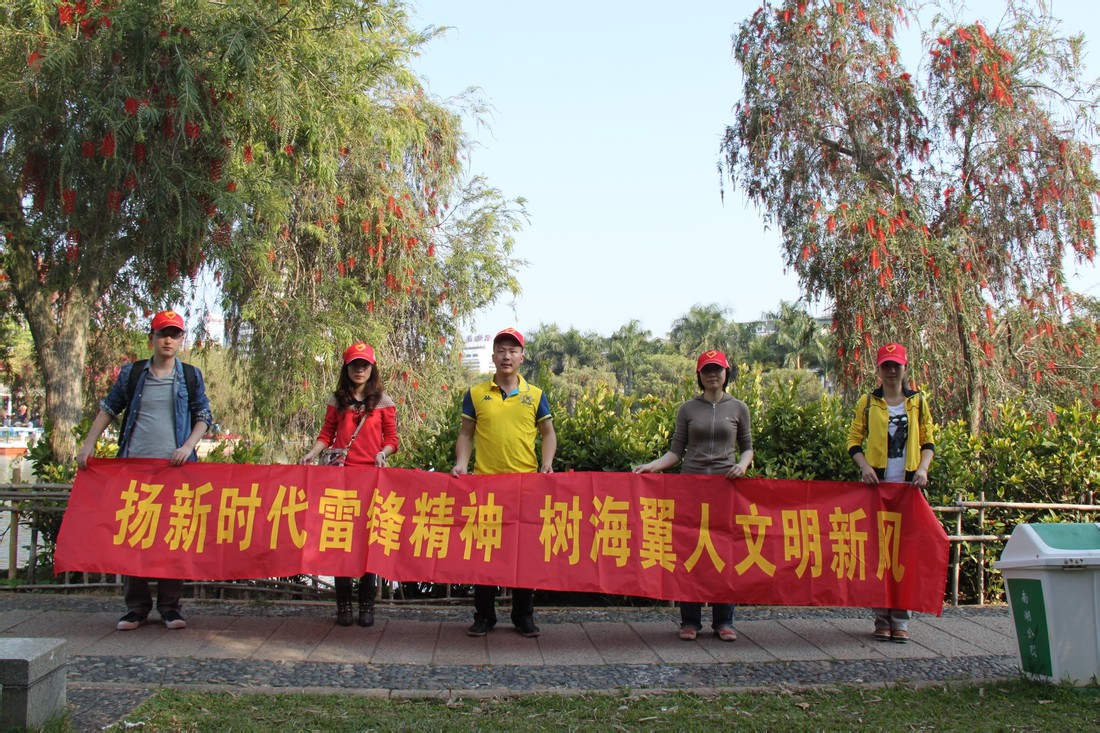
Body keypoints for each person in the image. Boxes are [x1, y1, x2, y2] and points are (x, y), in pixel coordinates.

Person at [76, 309, 212, 631]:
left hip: (175, 469)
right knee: (134, 534)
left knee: (172, 537)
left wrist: (188, 446)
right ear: (151, 338)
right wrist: (88, 444)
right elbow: (109, 408)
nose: (168, 340)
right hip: (133, 467)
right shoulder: (133, 373)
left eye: (175, 334)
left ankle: (170, 607)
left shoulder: (190, 376)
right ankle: (136, 608)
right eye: (163, 334)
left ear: (181, 340)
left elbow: (204, 416)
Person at [633, 349, 753, 642]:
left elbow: (748, 446)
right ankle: (690, 621)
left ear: (727, 373)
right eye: (707, 370)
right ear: (699, 376)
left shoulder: (739, 408)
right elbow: (676, 452)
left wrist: (742, 465)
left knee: (725, 553)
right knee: (690, 552)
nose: (713, 374)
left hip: (726, 489)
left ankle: (724, 621)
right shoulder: (687, 409)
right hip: (691, 489)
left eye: (718, 369)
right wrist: (652, 466)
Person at [451, 328, 556, 638]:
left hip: (526, 485)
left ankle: (523, 616)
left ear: (522, 358)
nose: (507, 355)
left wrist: (547, 462)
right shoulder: (475, 394)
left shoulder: (535, 395)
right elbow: (466, 434)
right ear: (493, 356)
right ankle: (484, 615)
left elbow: (548, 433)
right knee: (485, 552)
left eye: (513, 350)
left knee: (524, 553)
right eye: (501, 350)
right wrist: (461, 463)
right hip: (486, 485)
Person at [300, 342, 398, 628]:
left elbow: (392, 440)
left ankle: (367, 605)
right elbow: (327, 433)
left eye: (364, 364)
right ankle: (343, 606)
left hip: (371, 479)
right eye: (355, 364)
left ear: (372, 368)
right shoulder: (337, 399)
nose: (359, 369)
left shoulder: (383, 402)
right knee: (340, 540)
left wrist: (383, 453)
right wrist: (312, 453)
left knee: (369, 542)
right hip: (340, 480)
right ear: (346, 367)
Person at [845, 342, 934, 644]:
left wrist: (922, 469)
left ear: (905, 368)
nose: (891, 371)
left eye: (896, 365)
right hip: (877, 489)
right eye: (886, 366)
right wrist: (864, 467)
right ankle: (881, 617)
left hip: (908, 489)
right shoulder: (868, 402)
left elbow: (929, 442)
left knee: (905, 554)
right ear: (879, 370)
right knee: (879, 554)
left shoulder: (918, 402)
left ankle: (902, 619)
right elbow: (854, 441)